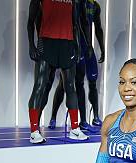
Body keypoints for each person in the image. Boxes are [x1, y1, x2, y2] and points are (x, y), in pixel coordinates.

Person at [27, 0, 91, 143]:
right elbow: (31, 20)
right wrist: (31, 45)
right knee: (40, 86)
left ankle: (75, 128)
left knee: (70, 86)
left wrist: (78, 46)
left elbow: (75, 23)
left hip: (67, 44)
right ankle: (34, 131)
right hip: (47, 41)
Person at [49, 0, 105, 131]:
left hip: (87, 49)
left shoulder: (95, 6)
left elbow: (98, 28)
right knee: (66, 84)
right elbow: (78, 24)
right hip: (74, 47)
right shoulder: (76, 3)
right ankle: (55, 117)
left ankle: (95, 117)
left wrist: (102, 48)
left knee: (92, 81)